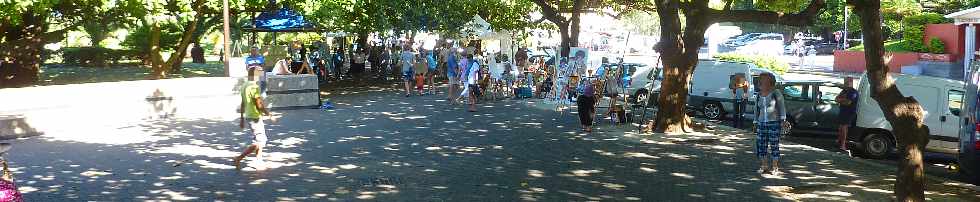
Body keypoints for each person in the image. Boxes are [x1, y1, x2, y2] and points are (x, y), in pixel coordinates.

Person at [234, 65, 272, 170]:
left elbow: (242, 103)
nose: (261, 75)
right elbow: (259, 104)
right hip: (255, 116)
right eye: (260, 73)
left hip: (249, 116)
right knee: (260, 141)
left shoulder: (244, 85)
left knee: (259, 139)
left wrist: (242, 118)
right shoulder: (254, 87)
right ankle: (239, 158)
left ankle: (259, 161)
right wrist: (268, 114)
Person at [754, 72, 789, 175]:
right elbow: (756, 110)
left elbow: (781, 106)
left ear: (771, 82)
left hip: (774, 123)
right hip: (761, 123)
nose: (763, 83)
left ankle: (775, 167)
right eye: (762, 81)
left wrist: (783, 120)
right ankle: (764, 165)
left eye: (766, 81)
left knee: (774, 145)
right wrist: (755, 122)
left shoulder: (776, 92)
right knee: (761, 145)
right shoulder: (758, 95)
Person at [835, 77, 859, 155]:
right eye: (845, 82)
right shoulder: (844, 91)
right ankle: (839, 141)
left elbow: (848, 102)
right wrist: (842, 100)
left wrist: (841, 100)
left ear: (851, 82)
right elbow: (836, 99)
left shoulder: (853, 92)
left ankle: (843, 145)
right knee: (840, 127)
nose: (845, 83)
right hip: (842, 111)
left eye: (847, 82)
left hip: (849, 112)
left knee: (844, 128)